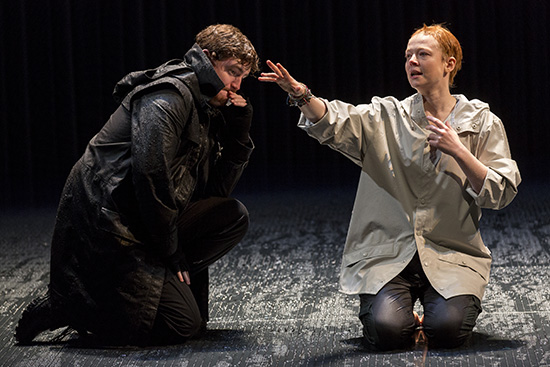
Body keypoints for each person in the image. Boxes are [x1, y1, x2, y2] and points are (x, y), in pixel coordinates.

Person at [259, 24, 520, 350]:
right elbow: (337, 121)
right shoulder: (388, 115)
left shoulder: (480, 121)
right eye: (408, 55)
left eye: (423, 54)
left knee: (449, 331)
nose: (412, 61)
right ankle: (399, 313)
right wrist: (302, 96)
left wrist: (459, 150)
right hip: (389, 254)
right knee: (387, 333)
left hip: (451, 253)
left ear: (449, 64)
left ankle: (434, 316)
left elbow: (502, 190)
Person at [15, 24, 260, 346]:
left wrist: (239, 135)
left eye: (242, 77)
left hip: (143, 220)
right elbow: (151, 176)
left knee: (230, 215)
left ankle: (120, 292)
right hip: (111, 223)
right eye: (232, 71)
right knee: (181, 325)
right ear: (206, 59)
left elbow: (212, 195)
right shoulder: (168, 96)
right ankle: (69, 305)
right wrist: (171, 251)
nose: (237, 85)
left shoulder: (204, 107)